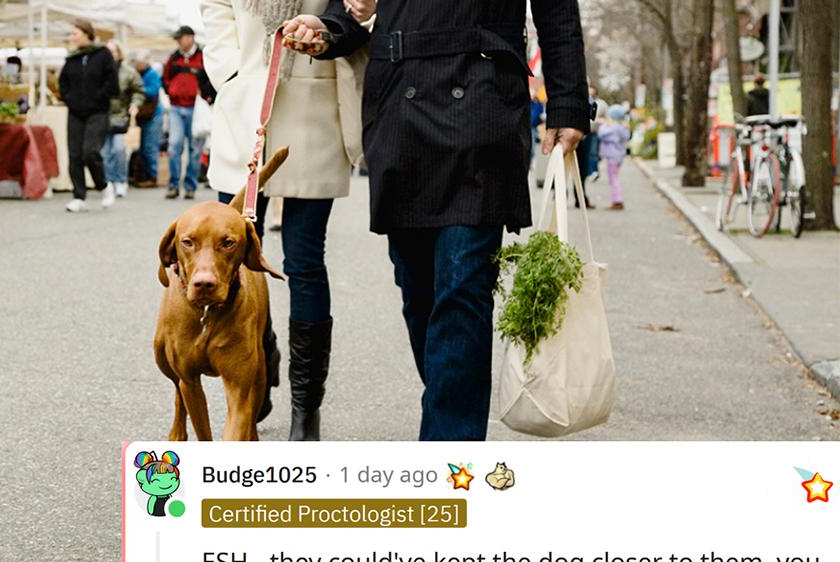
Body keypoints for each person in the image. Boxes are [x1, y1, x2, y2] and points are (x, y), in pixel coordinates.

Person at [286, 0, 590, 441]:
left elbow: (557, 13)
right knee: (418, 289)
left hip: (482, 100)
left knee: (463, 285)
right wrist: (325, 29)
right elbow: (352, 11)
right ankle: (449, 406)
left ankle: (449, 456)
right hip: (399, 105)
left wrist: (568, 104)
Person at [202, 0, 366, 441]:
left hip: (312, 101)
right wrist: (230, 72)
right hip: (244, 104)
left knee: (305, 260)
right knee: (230, 260)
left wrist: (325, 34)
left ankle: (305, 406)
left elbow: (355, 13)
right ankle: (259, 364)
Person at [58, 19, 118, 212]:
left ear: (87, 33)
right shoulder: (72, 58)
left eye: (75, 33)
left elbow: (112, 82)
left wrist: (99, 98)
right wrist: (69, 99)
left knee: (90, 152)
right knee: (74, 154)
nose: (72, 37)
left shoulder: (103, 54)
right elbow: (63, 83)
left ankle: (104, 186)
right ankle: (78, 196)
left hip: (97, 112)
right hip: (75, 112)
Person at [162, 26, 216, 201]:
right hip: (177, 107)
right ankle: (173, 185)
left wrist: (206, 95)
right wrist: (171, 91)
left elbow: (213, 77)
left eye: (181, 38)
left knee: (195, 149)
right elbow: (165, 78)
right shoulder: (173, 58)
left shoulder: (203, 57)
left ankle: (190, 186)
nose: (178, 41)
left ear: (191, 38)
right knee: (174, 145)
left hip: (196, 108)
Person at [101, 41, 145, 199]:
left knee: (118, 149)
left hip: (121, 117)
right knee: (105, 152)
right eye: (108, 51)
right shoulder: (100, 70)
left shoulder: (128, 71)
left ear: (119, 53)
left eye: (114, 51)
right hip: (102, 116)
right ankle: (109, 182)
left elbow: (139, 90)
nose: (111, 54)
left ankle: (121, 180)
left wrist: (135, 104)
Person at [132, 54, 164, 188]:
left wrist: (138, 90)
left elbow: (153, 91)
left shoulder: (152, 74)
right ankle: (143, 175)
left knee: (150, 147)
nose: (137, 65)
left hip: (153, 115)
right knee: (143, 148)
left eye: (140, 63)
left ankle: (153, 176)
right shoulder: (137, 73)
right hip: (143, 116)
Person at [598, 104, 631, 210]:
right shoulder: (622, 127)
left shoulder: (612, 128)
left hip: (612, 156)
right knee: (614, 177)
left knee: (613, 179)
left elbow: (601, 134)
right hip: (619, 156)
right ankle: (616, 200)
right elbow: (627, 137)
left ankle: (617, 200)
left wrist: (605, 124)